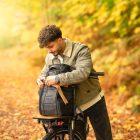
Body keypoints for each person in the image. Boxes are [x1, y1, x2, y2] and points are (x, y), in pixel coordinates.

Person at [36, 24, 113, 140]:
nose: (49, 51)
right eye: (47, 48)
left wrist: (57, 79)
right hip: (71, 105)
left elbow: (82, 73)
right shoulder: (50, 56)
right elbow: (44, 72)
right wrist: (40, 79)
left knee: (104, 137)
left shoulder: (81, 50)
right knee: (77, 137)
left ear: (60, 40)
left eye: (51, 46)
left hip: (92, 99)